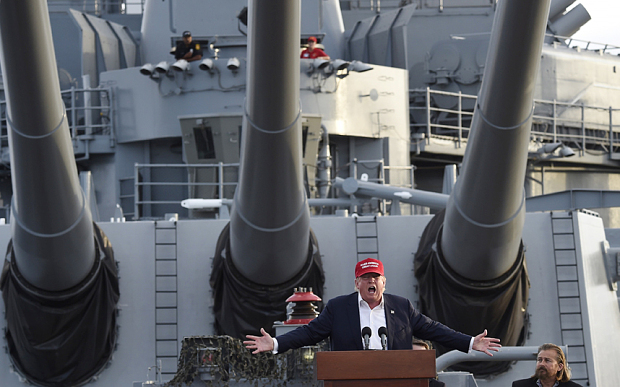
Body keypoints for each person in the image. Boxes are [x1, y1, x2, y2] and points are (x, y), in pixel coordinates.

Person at [244, 258, 501, 357]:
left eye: (375, 277)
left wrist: (469, 342)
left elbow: (434, 330)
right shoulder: (338, 307)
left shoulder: (401, 307)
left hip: (397, 380)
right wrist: (276, 344)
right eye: (366, 278)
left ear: (384, 282)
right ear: (357, 282)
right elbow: (309, 333)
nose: (371, 281)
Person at [512, 343, 582, 387]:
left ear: (559, 367)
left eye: (547, 360)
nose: (542, 364)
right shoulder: (519, 385)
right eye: (539, 360)